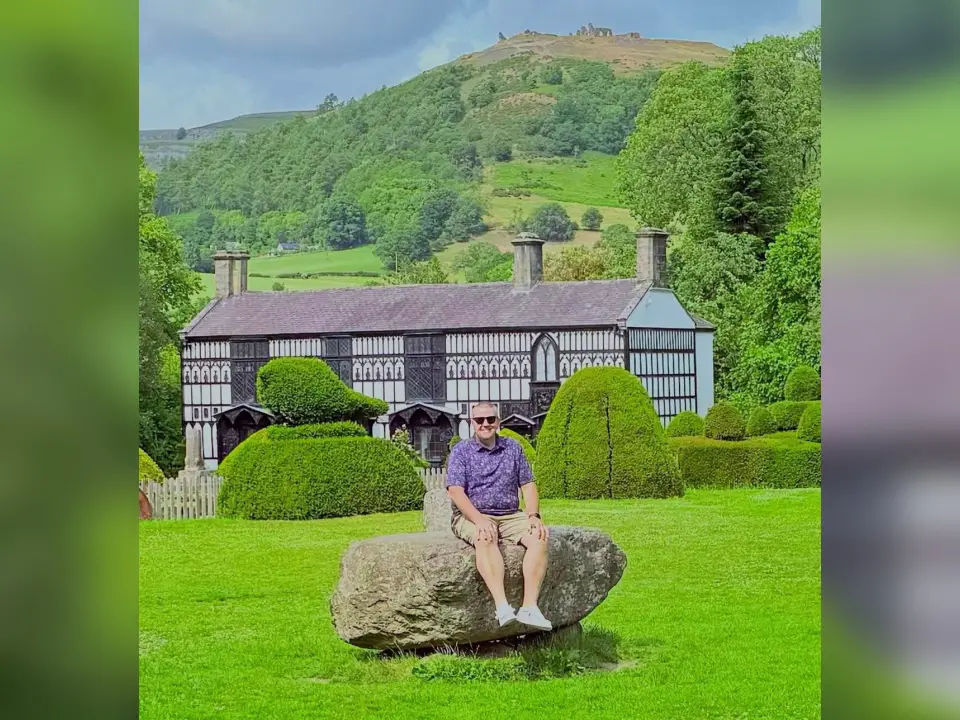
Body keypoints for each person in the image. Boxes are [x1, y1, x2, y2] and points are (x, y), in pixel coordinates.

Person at [445, 402, 552, 630]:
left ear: (498, 421)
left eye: (490, 419)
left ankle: (529, 608)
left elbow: (528, 484)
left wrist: (533, 515)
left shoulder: (513, 448)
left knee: (539, 537)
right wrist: (479, 520)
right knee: (485, 537)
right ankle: (503, 607)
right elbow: (455, 490)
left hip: (510, 515)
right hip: (473, 515)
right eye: (479, 420)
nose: (485, 424)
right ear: (472, 423)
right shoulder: (461, 451)